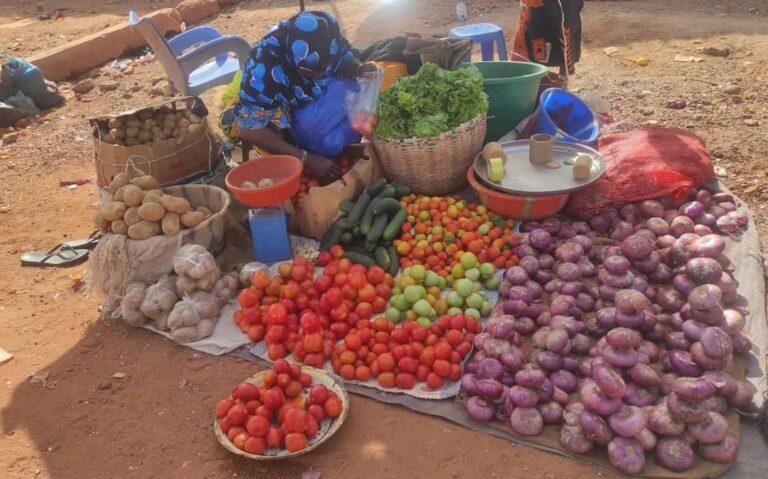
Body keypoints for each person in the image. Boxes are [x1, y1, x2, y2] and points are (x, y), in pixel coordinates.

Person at [233, 11, 375, 183]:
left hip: (333, 88)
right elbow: (248, 130)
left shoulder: (325, 26)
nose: (320, 75)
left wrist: (359, 68)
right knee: (316, 138)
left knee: (366, 112)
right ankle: (333, 143)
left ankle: (349, 141)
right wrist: (306, 158)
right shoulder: (263, 71)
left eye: (325, 68)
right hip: (300, 103)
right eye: (310, 72)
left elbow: (344, 57)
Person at [512, 0, 584, 76]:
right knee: (540, 44)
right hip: (539, 11)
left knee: (565, 31)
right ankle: (539, 79)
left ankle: (563, 79)